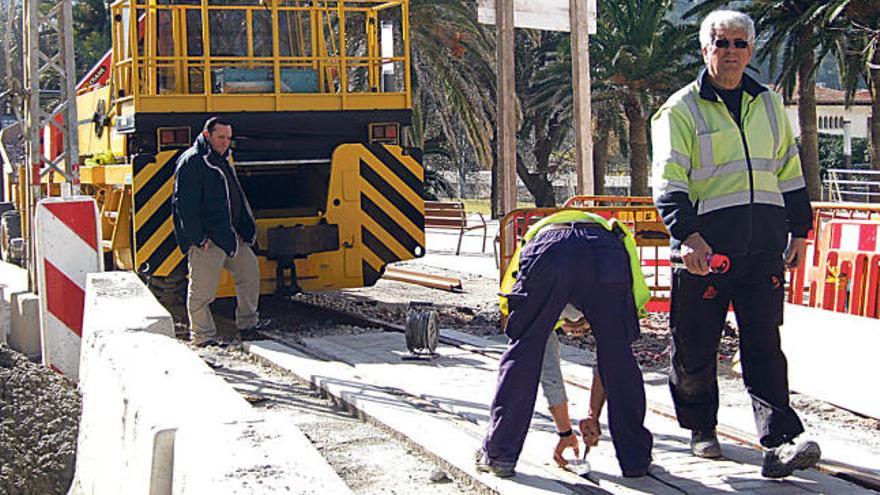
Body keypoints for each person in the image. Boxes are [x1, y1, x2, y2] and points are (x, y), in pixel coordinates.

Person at [651, 10, 820, 479]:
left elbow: (790, 170)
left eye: (739, 43)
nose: (730, 52)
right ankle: (701, 426)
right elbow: (667, 183)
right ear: (705, 49)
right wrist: (688, 236)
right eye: (721, 42)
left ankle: (781, 441)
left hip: (762, 247)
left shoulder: (768, 104)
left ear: (751, 50)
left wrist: (800, 230)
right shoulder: (680, 110)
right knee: (694, 350)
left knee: (764, 345)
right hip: (705, 252)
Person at [475, 210, 653, 478]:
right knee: (618, 354)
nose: (578, 330)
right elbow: (611, 357)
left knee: (523, 352)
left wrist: (588, 418)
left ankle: (500, 454)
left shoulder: (540, 289)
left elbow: (536, 361)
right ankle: (635, 460)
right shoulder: (611, 249)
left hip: (549, 251)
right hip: (605, 251)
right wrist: (565, 430)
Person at [172, 116, 262, 347]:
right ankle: (203, 337)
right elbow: (184, 204)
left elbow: (234, 196)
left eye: (228, 138)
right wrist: (198, 238)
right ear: (206, 135)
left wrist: (244, 229)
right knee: (202, 292)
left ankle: (248, 326)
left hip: (231, 236)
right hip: (209, 240)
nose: (225, 142)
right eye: (221, 137)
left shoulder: (221, 159)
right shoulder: (192, 161)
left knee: (249, 274)